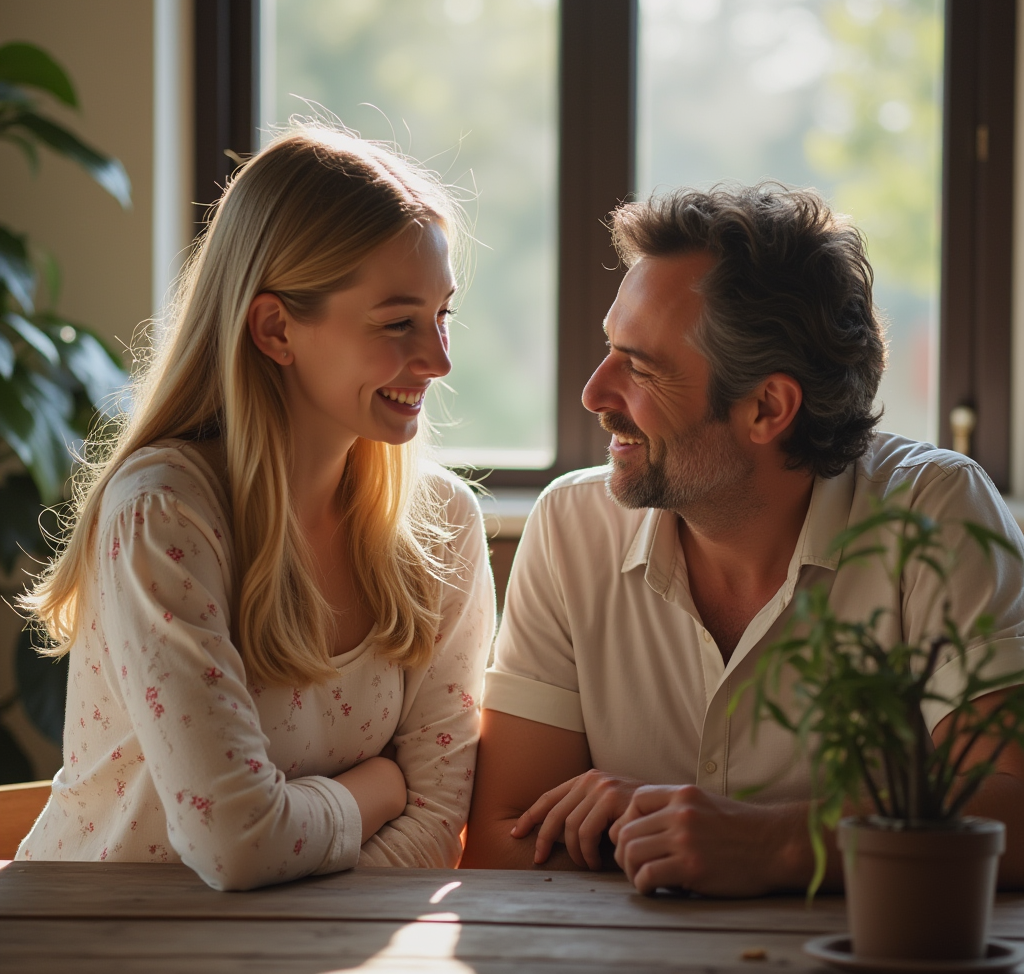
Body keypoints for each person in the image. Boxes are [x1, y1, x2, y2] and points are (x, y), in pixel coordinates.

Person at [461, 184, 1024, 894]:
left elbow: (1011, 807)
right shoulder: (573, 526)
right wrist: (657, 836)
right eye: (611, 350)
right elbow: (499, 843)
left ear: (767, 407)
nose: (594, 394)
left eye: (640, 367)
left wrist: (774, 845)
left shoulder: (936, 514)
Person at [16, 125, 494, 890]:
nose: (438, 359)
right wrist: (378, 786)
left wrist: (301, 894)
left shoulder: (442, 525)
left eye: (444, 315)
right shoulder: (163, 514)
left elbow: (437, 825)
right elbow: (239, 842)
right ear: (276, 329)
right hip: (97, 946)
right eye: (399, 322)